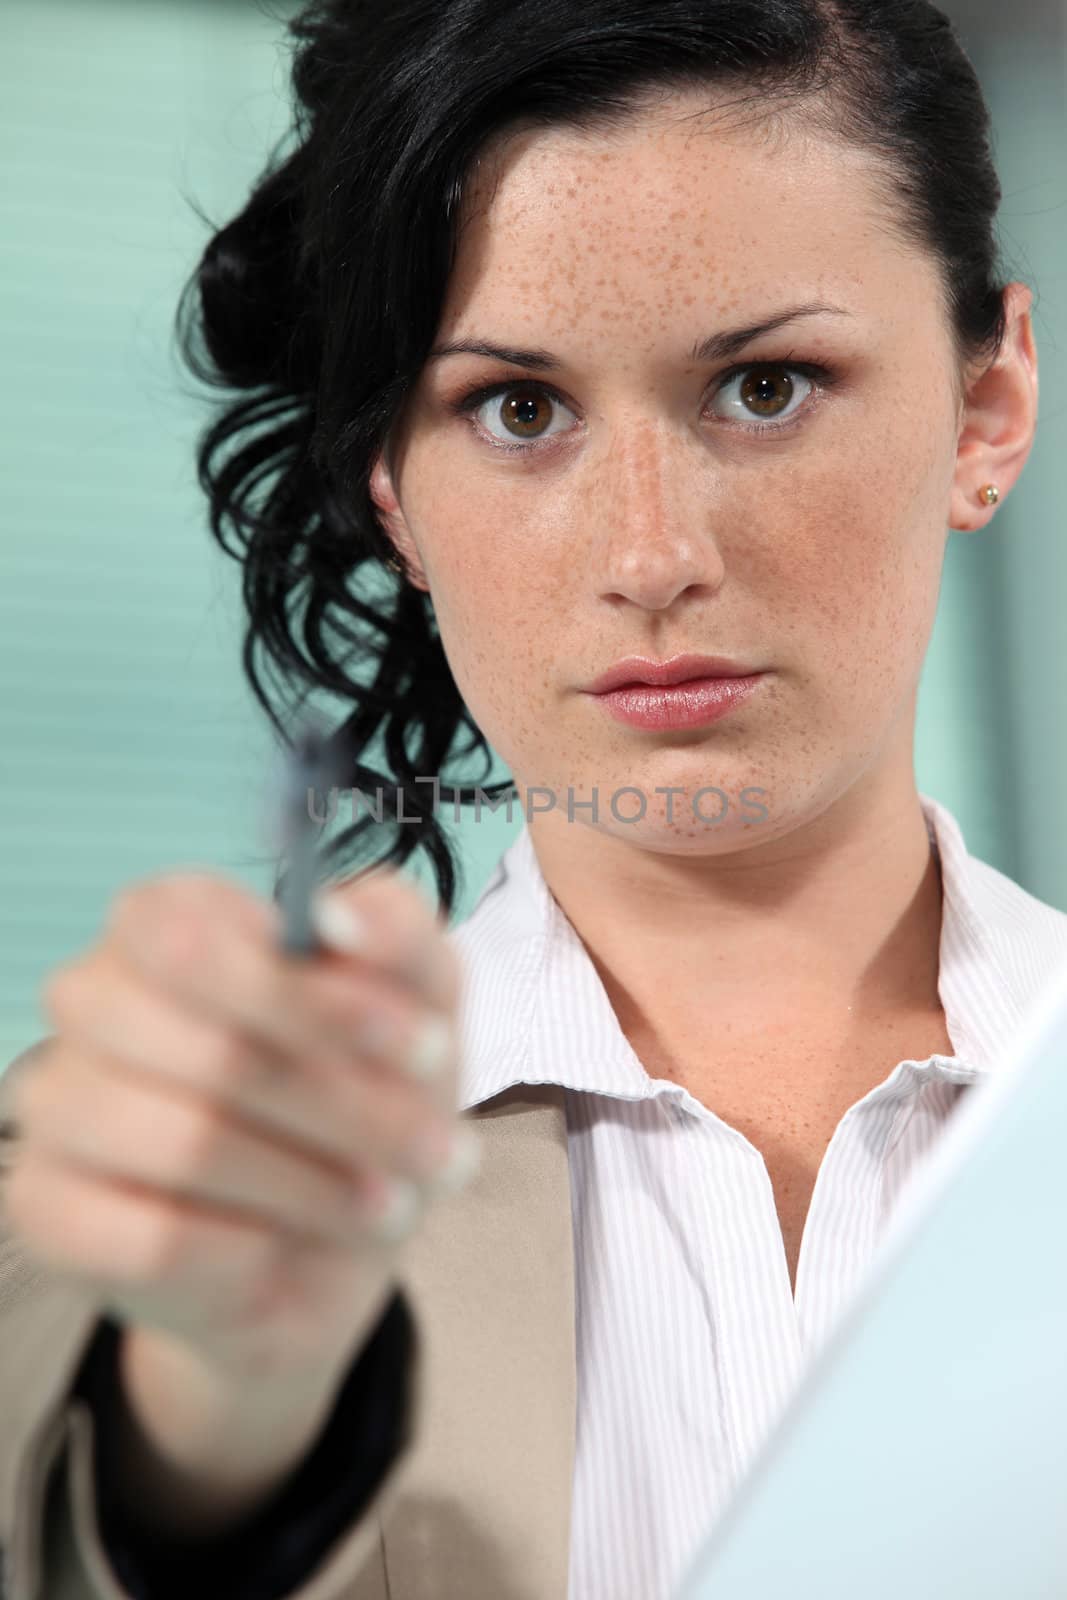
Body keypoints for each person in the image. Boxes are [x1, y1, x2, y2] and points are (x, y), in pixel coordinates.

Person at [0, 0, 1062, 1597]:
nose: (651, 558)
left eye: (766, 387)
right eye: (518, 409)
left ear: (986, 411)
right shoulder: (135, 1183)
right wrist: (213, 1437)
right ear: (394, 498)